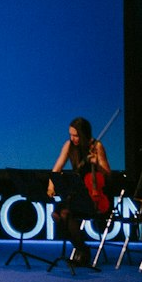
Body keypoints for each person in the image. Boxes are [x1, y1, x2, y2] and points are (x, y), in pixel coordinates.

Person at [49, 116, 110, 271]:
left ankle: (82, 250)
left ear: (83, 134)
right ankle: (81, 247)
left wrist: (97, 163)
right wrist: (51, 185)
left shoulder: (96, 146)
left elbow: (108, 174)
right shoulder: (69, 145)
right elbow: (57, 168)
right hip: (76, 193)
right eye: (71, 135)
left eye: (76, 135)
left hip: (92, 197)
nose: (73, 138)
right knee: (56, 215)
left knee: (66, 214)